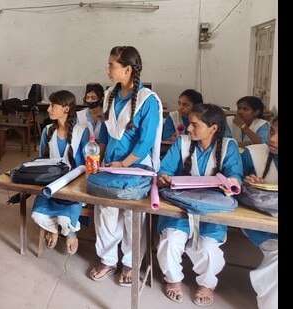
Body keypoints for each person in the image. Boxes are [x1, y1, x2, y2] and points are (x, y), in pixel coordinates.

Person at [89, 46, 163, 287]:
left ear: (127, 69)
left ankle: (131, 263)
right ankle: (109, 259)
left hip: (135, 168)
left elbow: (145, 142)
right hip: (110, 165)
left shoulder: (147, 100)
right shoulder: (110, 94)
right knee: (106, 214)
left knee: (132, 217)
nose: (107, 69)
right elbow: (105, 134)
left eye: (112, 65)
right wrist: (97, 160)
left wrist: (123, 164)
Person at [155, 103, 243, 306]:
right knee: (170, 240)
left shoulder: (229, 147)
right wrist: (164, 178)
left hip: (212, 206)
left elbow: (234, 174)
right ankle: (174, 279)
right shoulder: (182, 143)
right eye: (189, 124)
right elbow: (165, 169)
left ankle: (207, 283)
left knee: (208, 247)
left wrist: (233, 184)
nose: (188, 129)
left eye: (195, 125)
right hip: (181, 204)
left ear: (213, 128)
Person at [30, 90, 90, 255]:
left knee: (65, 219)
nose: (48, 109)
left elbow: (87, 163)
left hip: (73, 186)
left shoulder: (81, 131)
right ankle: (55, 230)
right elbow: (41, 159)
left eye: (52, 105)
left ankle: (70, 232)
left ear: (66, 109)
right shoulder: (48, 131)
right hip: (50, 184)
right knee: (36, 215)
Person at [240, 116, 278, 309]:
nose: (273, 139)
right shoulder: (253, 154)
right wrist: (250, 185)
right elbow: (234, 186)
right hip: (264, 227)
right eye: (272, 131)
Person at [76, 83, 109, 158]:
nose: (89, 100)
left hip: (105, 154)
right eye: (87, 97)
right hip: (84, 155)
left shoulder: (108, 115)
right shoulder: (79, 115)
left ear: (101, 99)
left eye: (93, 98)